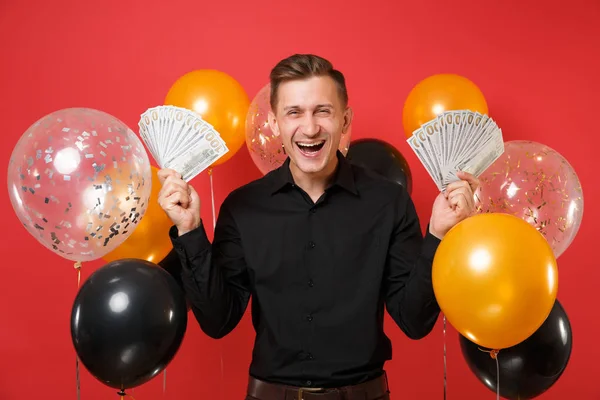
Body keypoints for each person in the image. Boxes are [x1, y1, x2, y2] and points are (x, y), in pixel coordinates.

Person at [157, 54, 479, 400]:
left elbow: (414, 322)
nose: (309, 128)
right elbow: (218, 321)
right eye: (294, 112)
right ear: (276, 123)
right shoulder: (242, 207)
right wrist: (189, 230)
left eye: (322, 111)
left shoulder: (389, 202)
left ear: (345, 120)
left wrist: (439, 235)